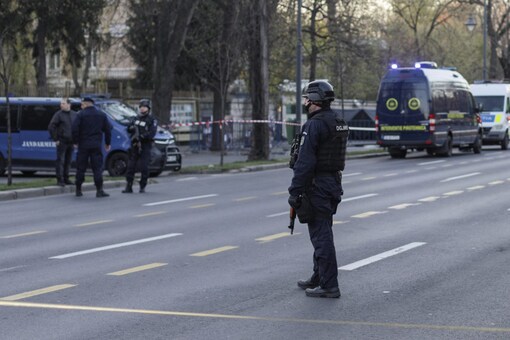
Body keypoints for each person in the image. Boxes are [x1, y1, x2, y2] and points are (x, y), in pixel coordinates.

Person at [288, 80, 349, 298]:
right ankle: (319, 276)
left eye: (307, 99)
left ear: (315, 100)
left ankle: (329, 285)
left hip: (318, 185)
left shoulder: (314, 125)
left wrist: (294, 191)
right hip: (333, 183)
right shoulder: (338, 121)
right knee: (322, 230)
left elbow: (305, 162)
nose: (305, 102)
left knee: (321, 236)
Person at [72, 97, 112, 198]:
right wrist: (107, 143)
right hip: (96, 145)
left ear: (85, 104)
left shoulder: (80, 115)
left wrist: (75, 141)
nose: (81, 106)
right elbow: (108, 130)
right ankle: (99, 190)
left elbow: (74, 128)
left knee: (81, 168)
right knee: (97, 168)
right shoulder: (101, 115)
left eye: (82, 104)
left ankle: (78, 189)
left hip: (83, 145)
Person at [122, 99, 157, 194]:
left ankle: (142, 186)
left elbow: (152, 133)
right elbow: (128, 129)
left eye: (144, 107)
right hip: (134, 145)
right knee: (131, 166)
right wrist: (131, 128)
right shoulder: (135, 118)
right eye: (141, 107)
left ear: (148, 108)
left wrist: (142, 137)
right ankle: (129, 186)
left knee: (144, 166)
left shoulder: (151, 120)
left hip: (145, 145)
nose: (142, 109)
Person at [48, 98, 77, 186]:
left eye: (63, 103)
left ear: (69, 105)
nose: (61, 105)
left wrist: (76, 141)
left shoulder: (74, 114)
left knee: (68, 161)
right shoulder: (58, 115)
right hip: (62, 141)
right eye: (61, 103)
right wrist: (55, 139)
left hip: (71, 141)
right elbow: (51, 127)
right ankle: (60, 179)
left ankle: (66, 178)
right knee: (60, 160)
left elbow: (76, 128)